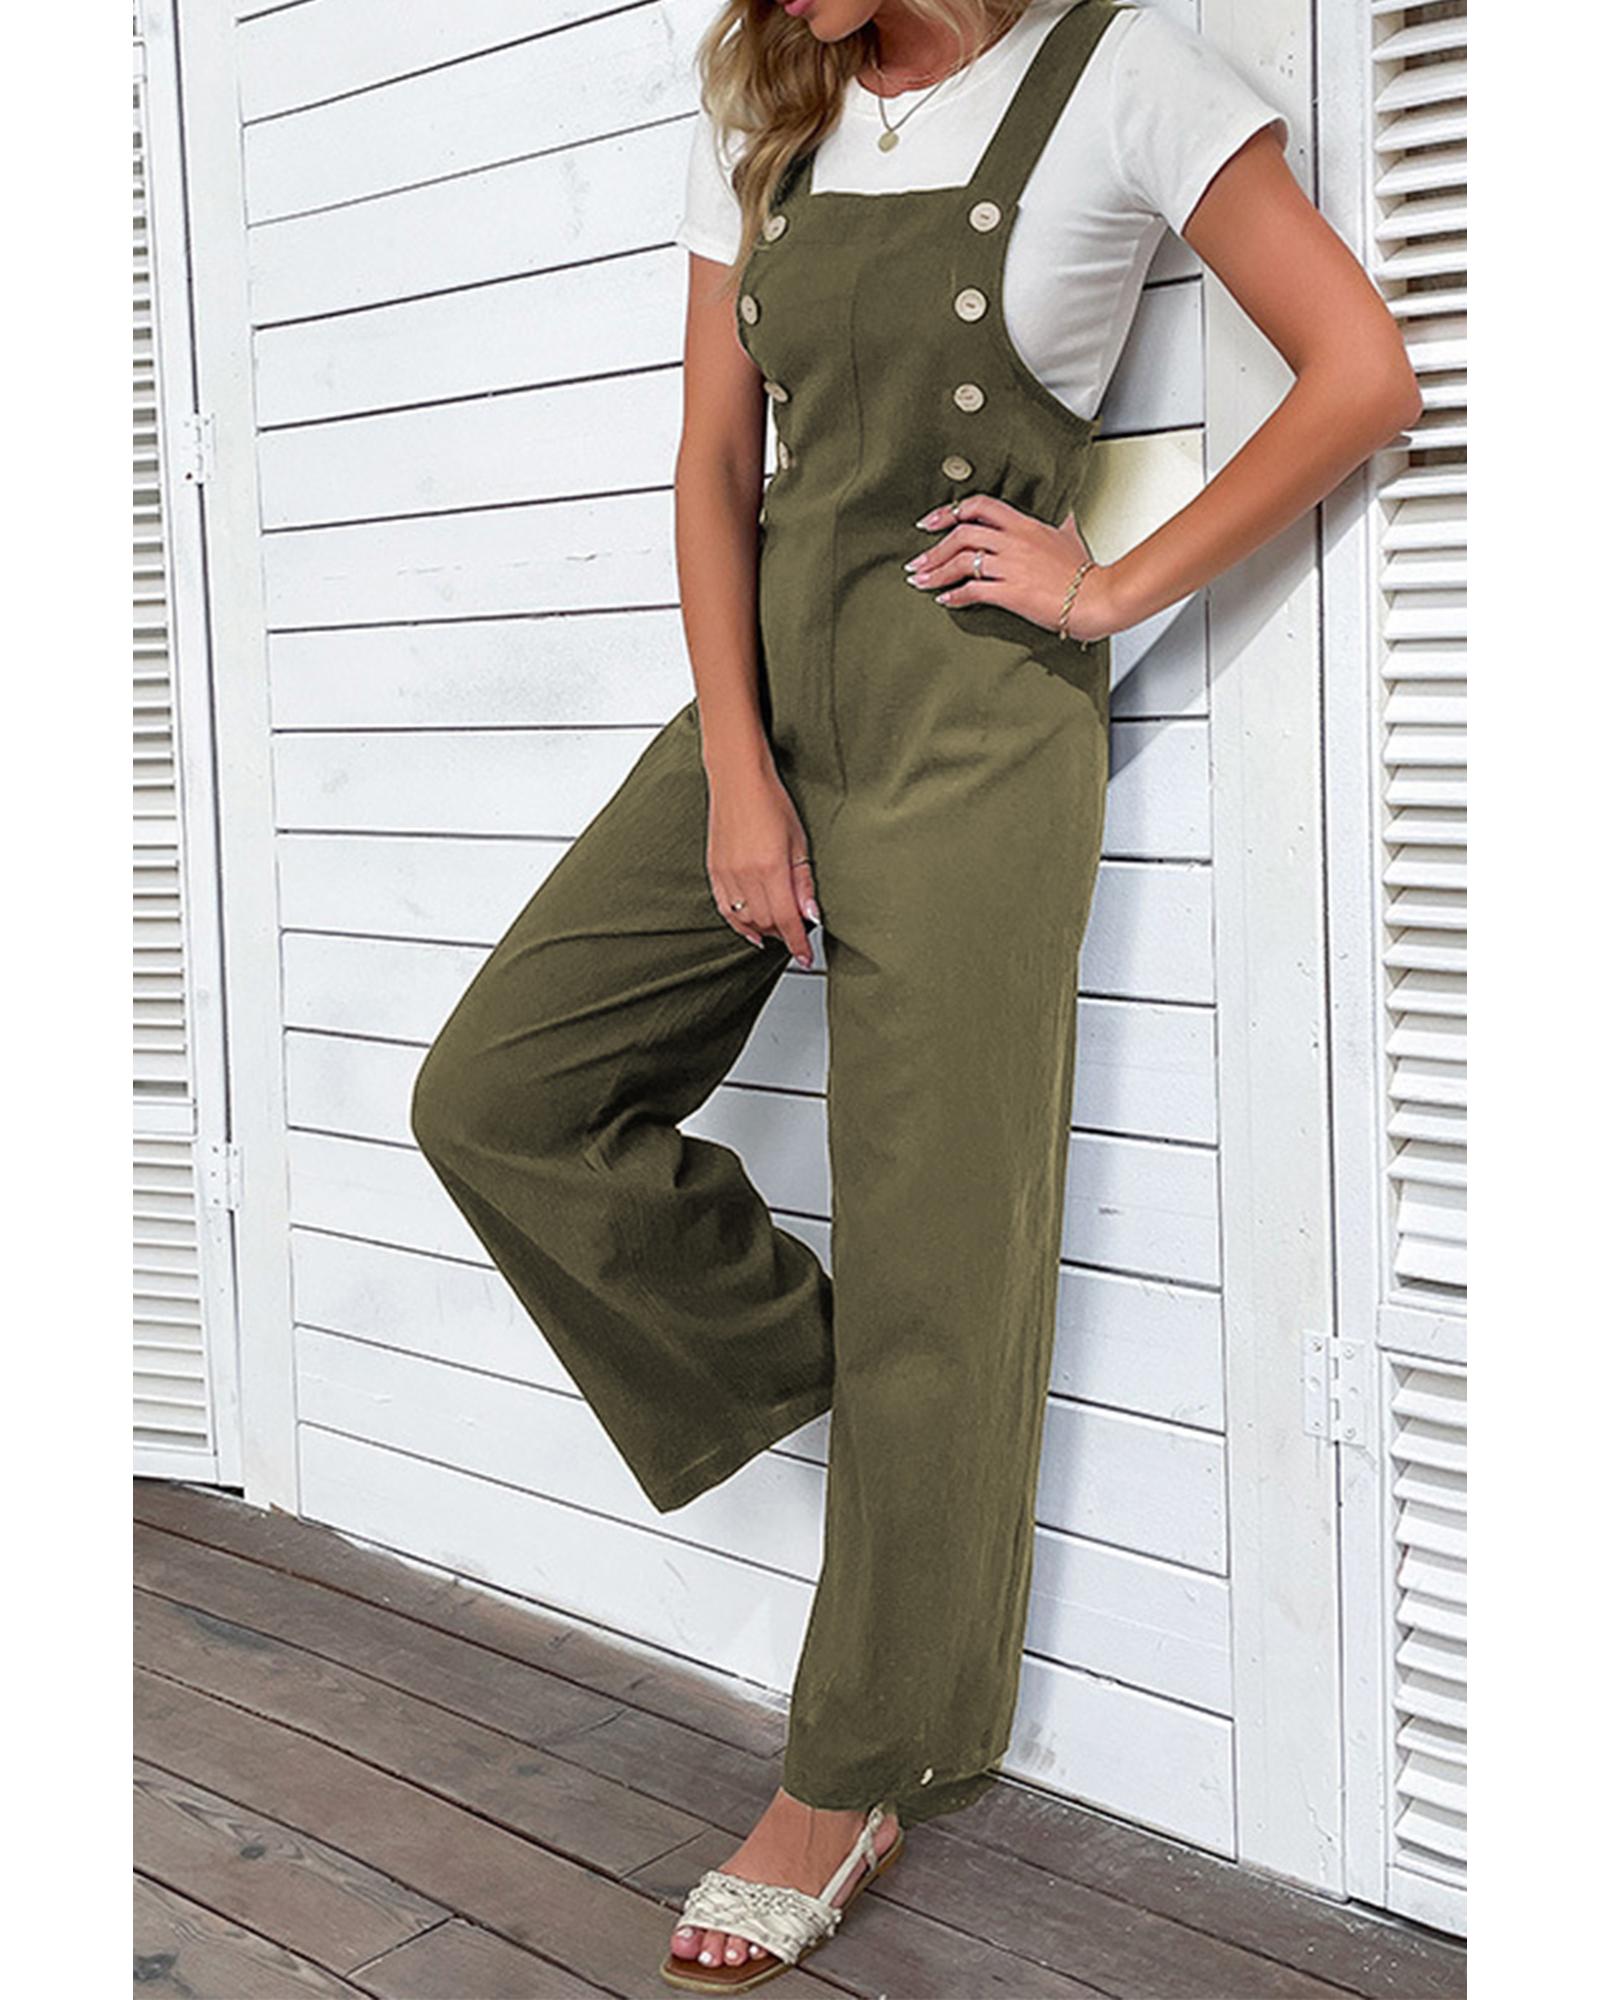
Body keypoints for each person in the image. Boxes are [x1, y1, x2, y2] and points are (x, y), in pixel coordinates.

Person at [408, 1, 1421, 1988]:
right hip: (769, 698)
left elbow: (1358, 374)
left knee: (943, 1251)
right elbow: (715, 456)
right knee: (501, 1097)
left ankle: (854, 1773)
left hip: (975, 732)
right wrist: (734, 764)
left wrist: (1107, 587)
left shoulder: (1127, 77)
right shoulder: (766, 107)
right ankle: (872, 1384)